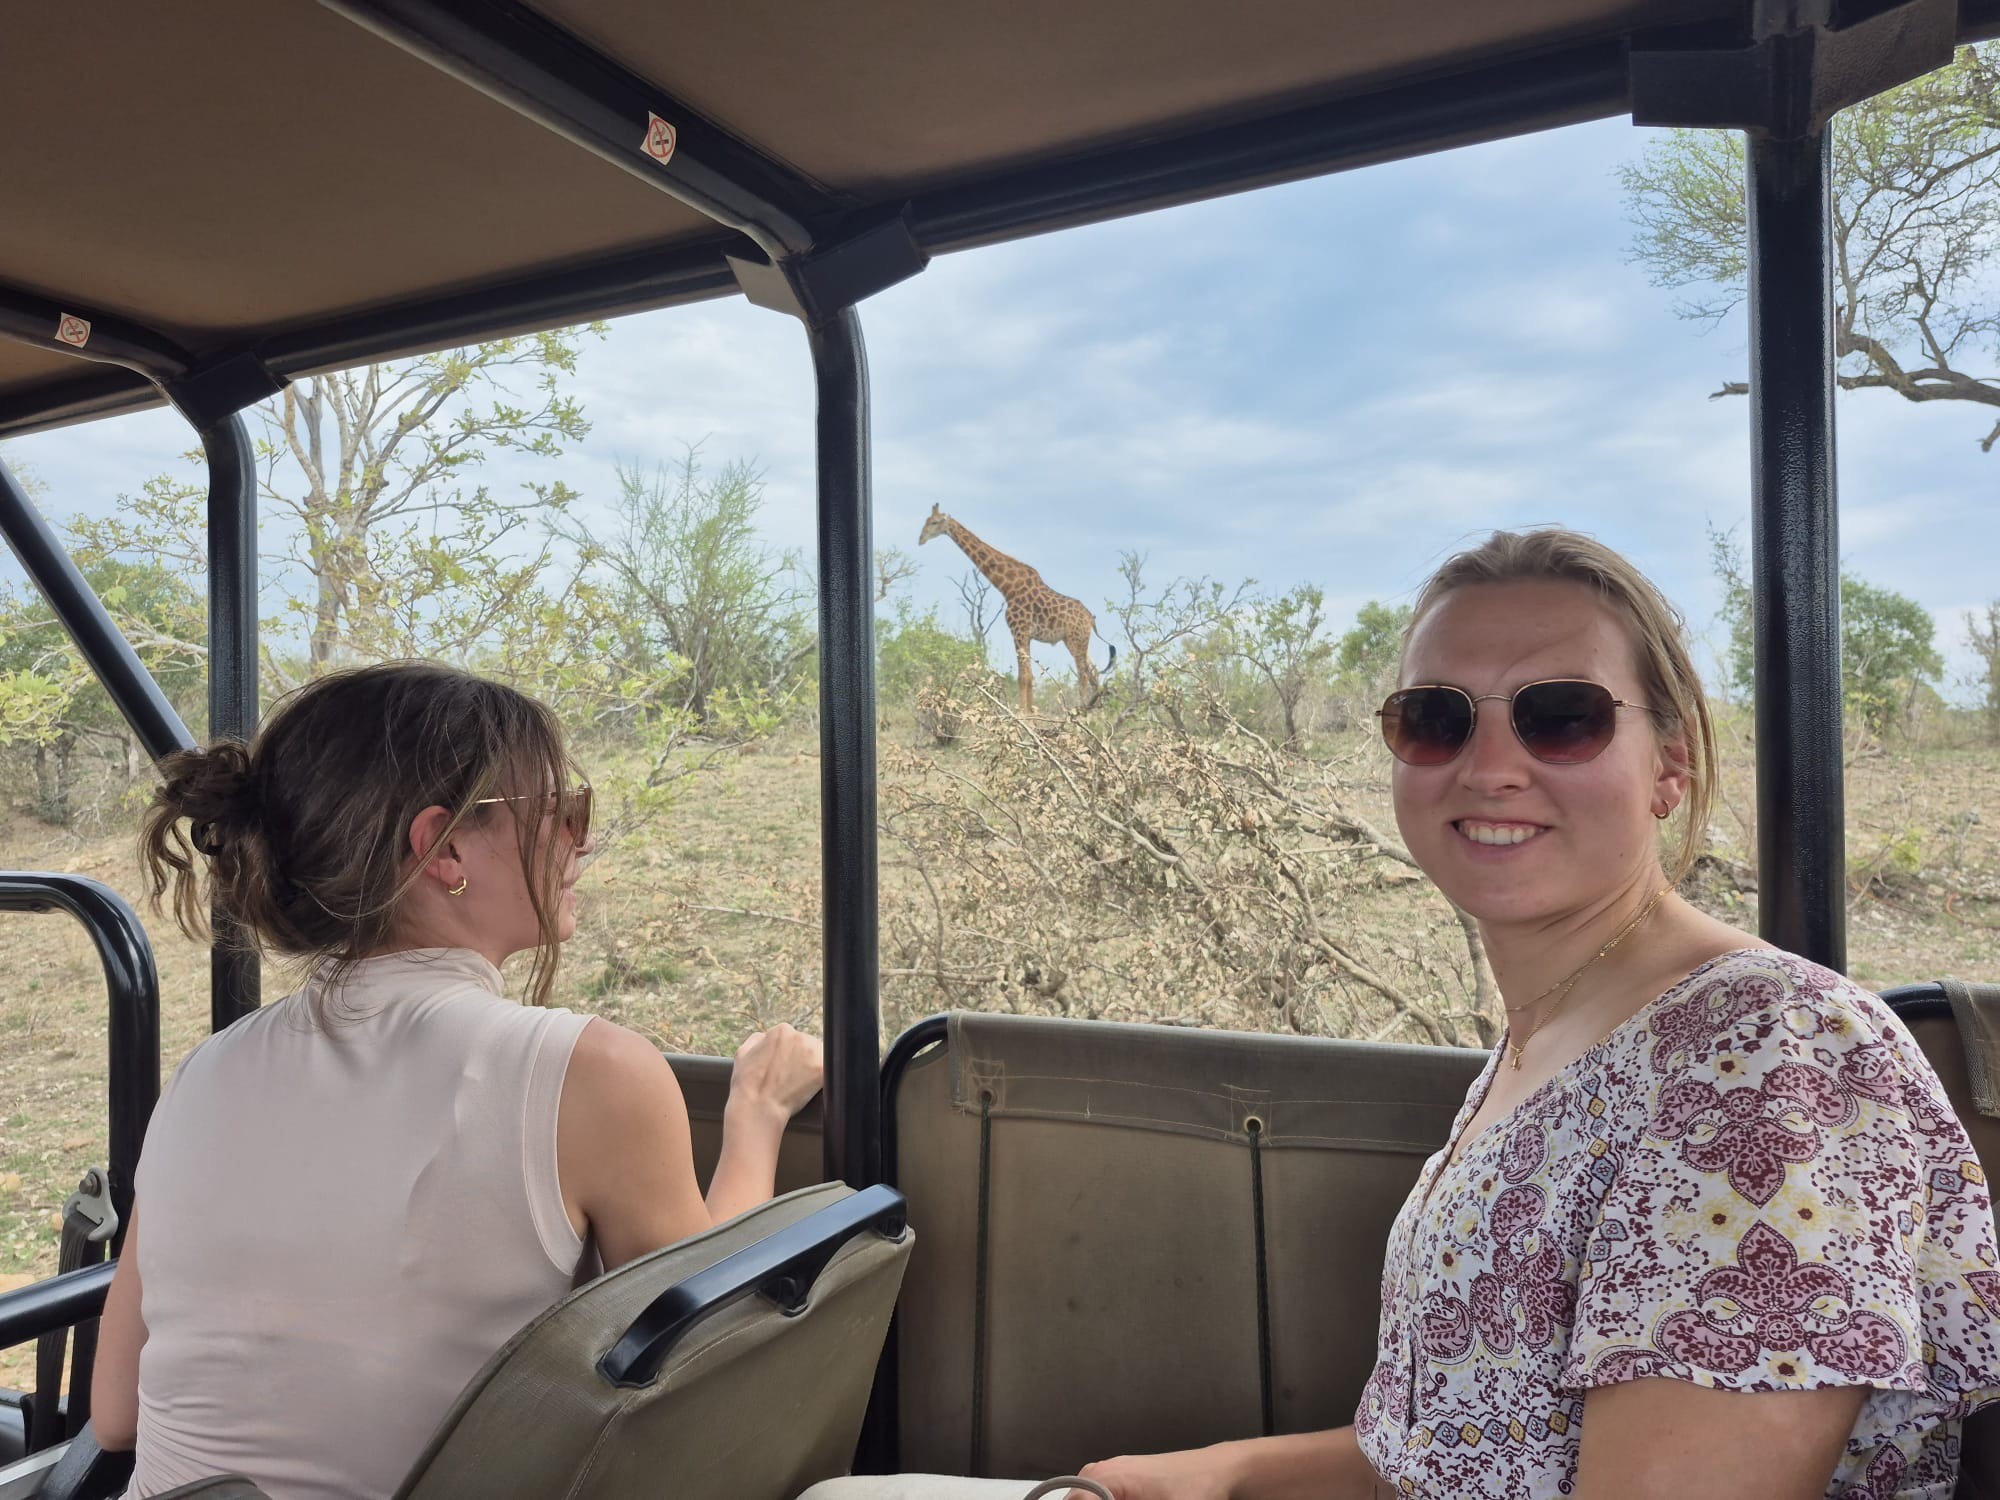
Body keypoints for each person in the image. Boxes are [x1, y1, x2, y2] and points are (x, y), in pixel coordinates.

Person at [1067, 530, 2000, 1499]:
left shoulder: (1763, 1059)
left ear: (1668, 767)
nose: (1488, 767)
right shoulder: (1549, 1039)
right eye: (1436, 718)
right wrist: (1222, 1472)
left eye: (1561, 717)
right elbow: (1455, 1455)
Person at [88, 662, 824, 1499]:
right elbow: (699, 1385)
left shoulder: (204, 1071)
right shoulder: (590, 1072)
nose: (580, 841)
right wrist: (758, 1118)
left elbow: (116, 1413)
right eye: (563, 812)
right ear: (443, 848)